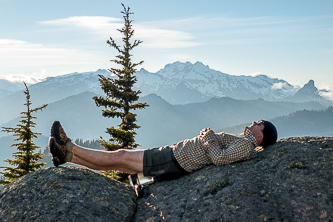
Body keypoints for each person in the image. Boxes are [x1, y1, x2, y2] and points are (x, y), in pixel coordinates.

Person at [48, 120, 277, 179]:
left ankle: (69, 146)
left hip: (174, 160)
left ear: (262, 133)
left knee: (120, 156)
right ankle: (66, 156)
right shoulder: (245, 141)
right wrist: (209, 138)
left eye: (259, 122)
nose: (255, 122)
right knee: (120, 162)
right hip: (174, 156)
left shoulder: (247, 145)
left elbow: (219, 158)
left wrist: (208, 137)